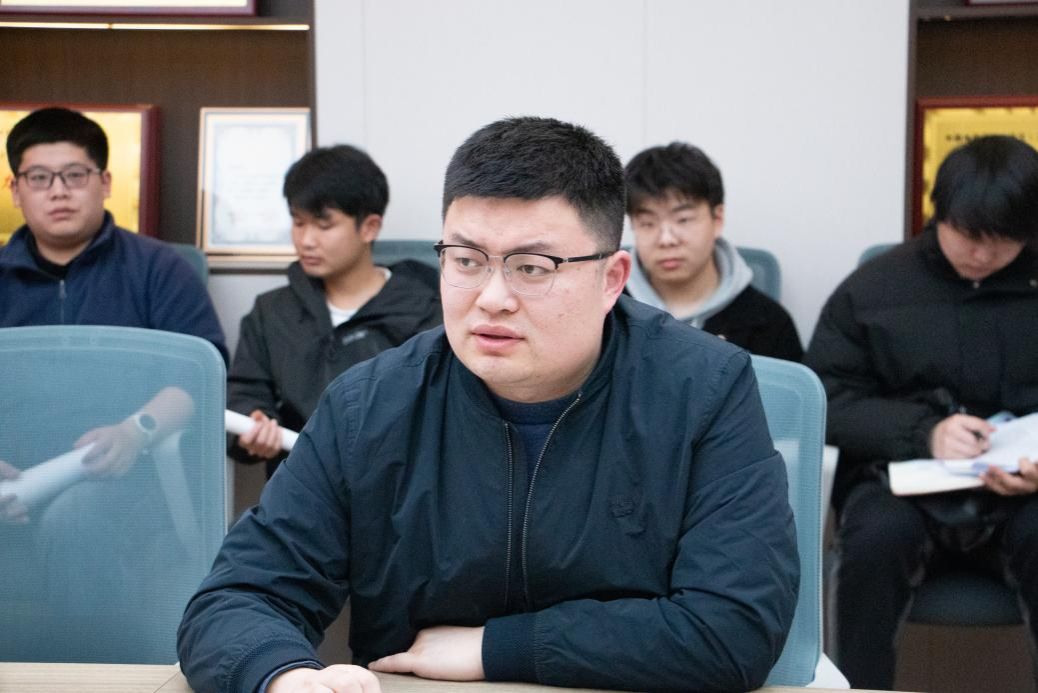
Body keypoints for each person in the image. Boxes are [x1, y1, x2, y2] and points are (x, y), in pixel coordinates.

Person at [178, 116, 799, 693]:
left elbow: (734, 628)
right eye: (467, 260)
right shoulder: (369, 407)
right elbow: (237, 599)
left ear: (611, 279)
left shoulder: (703, 389)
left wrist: (495, 648)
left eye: (533, 267)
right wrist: (282, 676)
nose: (491, 298)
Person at [806, 135, 1038, 689]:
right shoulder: (874, 289)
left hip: (1026, 492)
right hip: (900, 482)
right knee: (873, 540)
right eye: (969, 237)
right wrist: (924, 432)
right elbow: (826, 397)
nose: (982, 255)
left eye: (1003, 241)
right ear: (938, 214)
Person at [0, 106, 227, 661]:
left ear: (104, 182)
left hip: (125, 478)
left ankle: (87, 675)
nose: (58, 191)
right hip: (10, 476)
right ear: (14, 189)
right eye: (39, 177)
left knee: (77, 520)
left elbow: (198, 374)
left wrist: (135, 430)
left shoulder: (157, 268)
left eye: (74, 175)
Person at [227, 145, 441, 478]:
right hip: (300, 488)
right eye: (298, 223)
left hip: (398, 490)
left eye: (323, 226)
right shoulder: (271, 313)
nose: (306, 240)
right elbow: (244, 392)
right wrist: (254, 418)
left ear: (369, 227)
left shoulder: (426, 310)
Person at [623, 142, 802, 361]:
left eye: (683, 220)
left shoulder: (769, 324)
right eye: (647, 223)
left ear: (717, 219)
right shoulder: (606, 311)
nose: (666, 239)